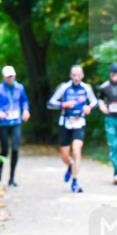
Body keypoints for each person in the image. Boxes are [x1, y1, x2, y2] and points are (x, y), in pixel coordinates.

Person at [47, 64, 97, 193]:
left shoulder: (86, 88)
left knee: (77, 150)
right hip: (65, 123)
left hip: (79, 123)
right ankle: (70, 165)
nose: (76, 77)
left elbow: (94, 102)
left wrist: (89, 107)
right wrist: (64, 104)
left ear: (82, 76)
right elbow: (51, 103)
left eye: (78, 75)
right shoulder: (64, 88)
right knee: (64, 155)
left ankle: (75, 181)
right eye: (74, 75)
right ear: (70, 76)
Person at [0, 65, 30, 187]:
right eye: (7, 77)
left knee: (15, 149)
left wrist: (26, 110)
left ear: (14, 76)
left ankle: (12, 178)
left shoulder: (19, 88)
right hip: (3, 123)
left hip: (16, 122)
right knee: (5, 150)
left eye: (11, 76)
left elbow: (24, 101)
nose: (10, 79)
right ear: (3, 77)